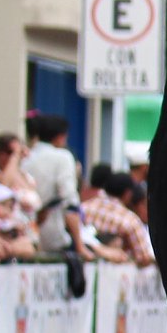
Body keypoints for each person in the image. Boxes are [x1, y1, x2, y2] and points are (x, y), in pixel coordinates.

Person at [24, 113, 87, 255]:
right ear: (61, 137)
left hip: (27, 232)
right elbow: (69, 199)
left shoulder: (27, 157)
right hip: (54, 232)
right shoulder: (63, 157)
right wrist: (79, 244)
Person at [83, 172, 154, 265]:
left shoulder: (84, 208)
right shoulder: (129, 220)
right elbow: (144, 257)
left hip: (83, 265)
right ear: (128, 194)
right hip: (116, 270)